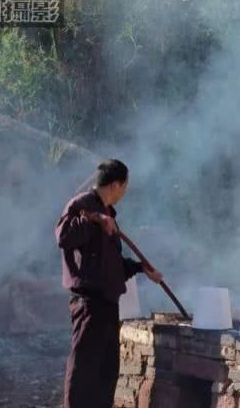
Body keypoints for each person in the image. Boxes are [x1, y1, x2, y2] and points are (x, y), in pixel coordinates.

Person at [55, 159, 163, 408]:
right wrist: (94, 219)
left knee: (106, 369)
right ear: (116, 184)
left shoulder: (109, 216)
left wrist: (140, 268)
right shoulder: (81, 205)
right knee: (84, 366)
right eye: (125, 186)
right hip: (88, 302)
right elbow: (63, 236)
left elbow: (111, 264)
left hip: (107, 303)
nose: (125, 192)